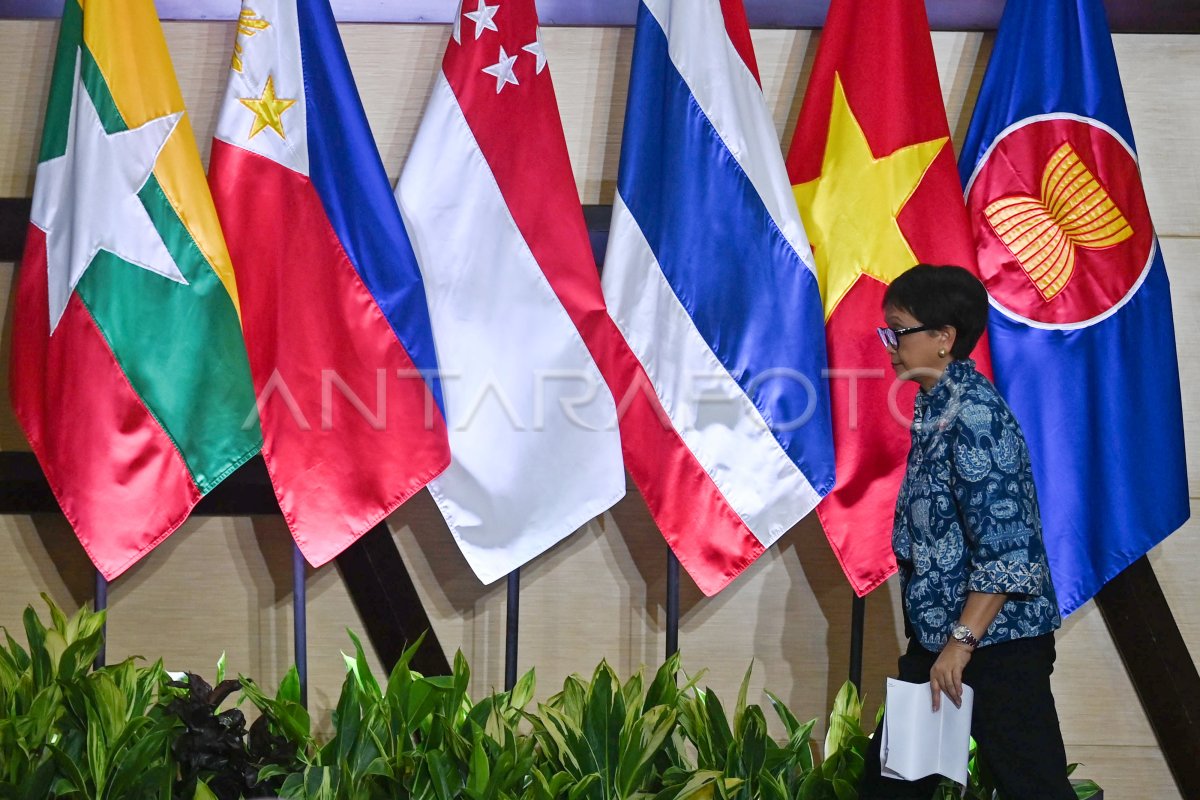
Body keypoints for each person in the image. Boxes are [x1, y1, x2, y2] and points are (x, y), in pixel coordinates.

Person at [857, 264, 1076, 800]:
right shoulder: (938, 407)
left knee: (1034, 787)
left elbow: (1005, 547)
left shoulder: (975, 415)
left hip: (992, 649)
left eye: (899, 330)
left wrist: (960, 645)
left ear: (943, 338)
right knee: (893, 785)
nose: (889, 345)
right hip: (941, 646)